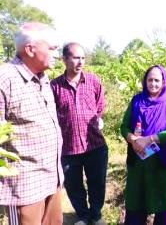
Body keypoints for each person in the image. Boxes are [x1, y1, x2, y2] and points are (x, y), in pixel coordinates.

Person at [0, 22, 64, 225]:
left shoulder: (43, 79)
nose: (57, 54)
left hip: (52, 179)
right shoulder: (5, 79)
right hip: (24, 187)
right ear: (30, 49)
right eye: (52, 48)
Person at [51, 42, 108, 225]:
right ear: (65, 59)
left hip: (95, 144)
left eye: (83, 58)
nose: (80, 62)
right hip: (68, 147)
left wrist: (97, 119)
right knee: (74, 185)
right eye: (76, 57)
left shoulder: (93, 81)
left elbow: (100, 106)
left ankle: (96, 214)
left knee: (97, 183)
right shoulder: (54, 87)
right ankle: (83, 216)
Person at [120, 65, 166, 225]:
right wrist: (133, 140)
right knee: (136, 200)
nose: (153, 84)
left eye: (157, 80)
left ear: (164, 82)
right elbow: (124, 127)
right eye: (150, 80)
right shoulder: (136, 100)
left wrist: (149, 139)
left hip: (162, 162)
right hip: (139, 160)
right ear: (145, 81)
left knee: (162, 202)